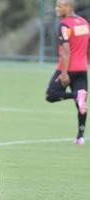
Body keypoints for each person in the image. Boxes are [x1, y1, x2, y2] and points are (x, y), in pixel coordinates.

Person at [45, 0, 89, 145]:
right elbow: (88, 46)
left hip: (67, 68)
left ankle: (76, 95)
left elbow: (65, 51)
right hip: (82, 69)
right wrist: (86, 61)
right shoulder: (84, 23)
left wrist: (64, 74)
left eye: (60, 6)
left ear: (69, 7)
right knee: (81, 105)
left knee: (51, 95)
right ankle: (80, 137)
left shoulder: (64, 25)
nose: (57, 9)